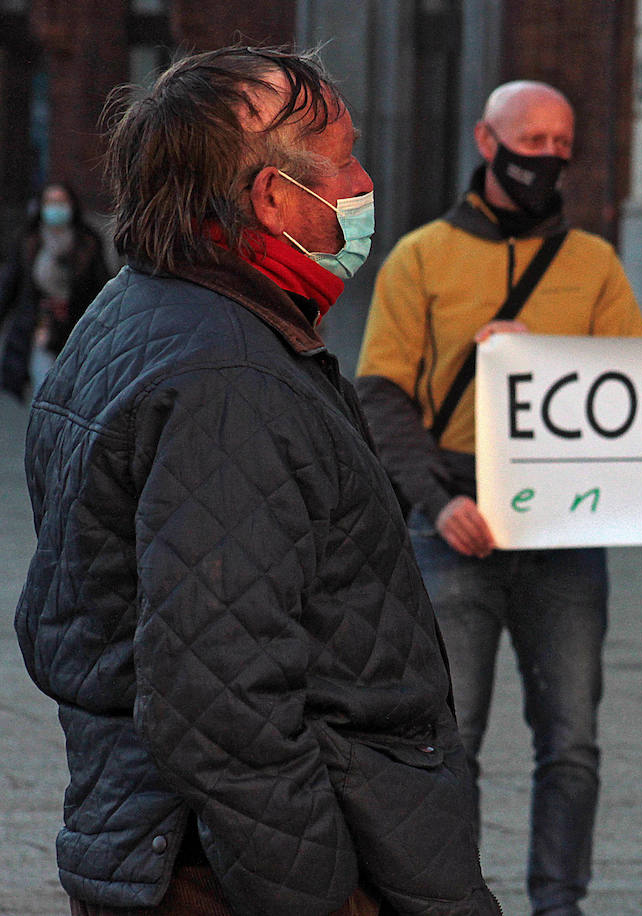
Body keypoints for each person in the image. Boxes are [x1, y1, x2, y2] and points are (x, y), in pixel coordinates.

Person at [15, 46, 499, 916]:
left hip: (163, 839)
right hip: (235, 864)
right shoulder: (227, 376)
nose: (363, 181)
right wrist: (314, 892)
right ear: (274, 199)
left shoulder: (147, 307)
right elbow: (218, 699)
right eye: (345, 158)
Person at [356, 80, 642, 916]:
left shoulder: (593, 263)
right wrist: (435, 502)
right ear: (488, 141)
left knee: (574, 742)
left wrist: (546, 354)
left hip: (564, 527)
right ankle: (454, 899)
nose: (547, 158)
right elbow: (382, 394)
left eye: (563, 143)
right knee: (453, 740)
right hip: (455, 517)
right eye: (532, 140)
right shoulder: (419, 258)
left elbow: (637, 387)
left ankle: (560, 904)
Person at [0, 180, 110, 400]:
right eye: (50, 202)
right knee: (45, 389)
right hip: (40, 327)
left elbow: (100, 286)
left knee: (75, 391)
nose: (55, 208)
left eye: (61, 202)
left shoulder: (87, 242)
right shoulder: (29, 241)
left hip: (76, 327)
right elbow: (11, 285)